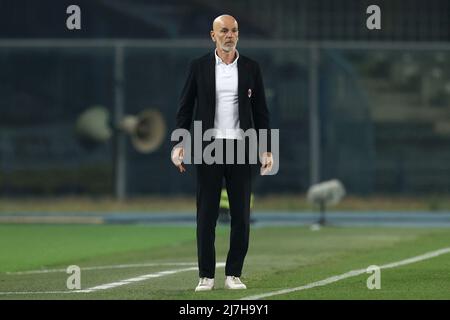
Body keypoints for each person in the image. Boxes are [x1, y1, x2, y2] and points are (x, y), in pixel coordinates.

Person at [171, 14, 273, 291]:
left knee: (241, 215)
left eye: (234, 31)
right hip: (208, 148)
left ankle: (233, 274)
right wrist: (179, 144)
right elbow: (185, 107)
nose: (230, 35)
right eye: (224, 31)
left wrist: (266, 149)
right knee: (207, 215)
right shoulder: (199, 67)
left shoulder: (251, 67)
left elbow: (261, 111)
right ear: (213, 35)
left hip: (241, 149)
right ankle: (206, 275)